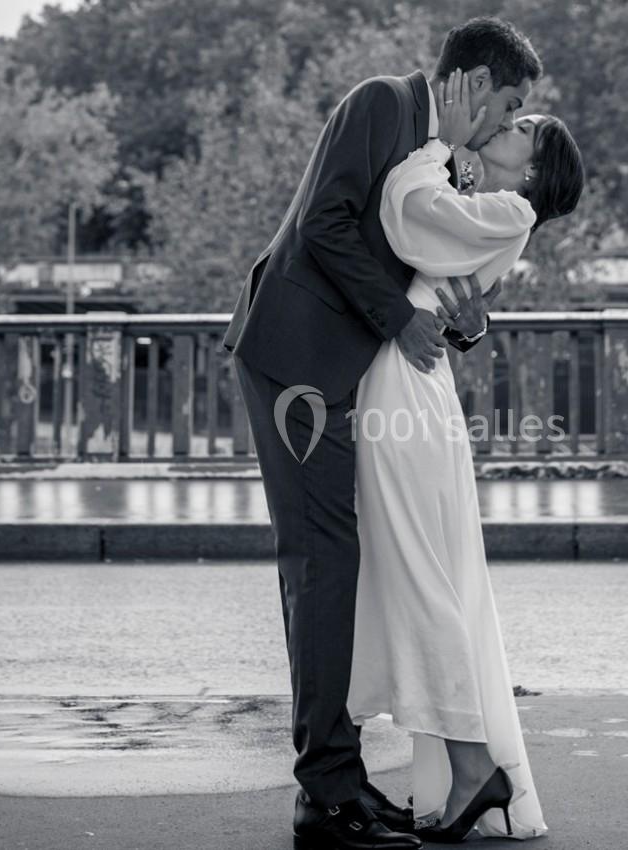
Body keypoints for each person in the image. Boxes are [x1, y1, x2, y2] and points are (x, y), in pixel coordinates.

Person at [222, 16, 543, 850]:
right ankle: (326, 796)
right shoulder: (381, 103)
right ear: (476, 81)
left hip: (348, 375)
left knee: (342, 568)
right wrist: (399, 319)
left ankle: (343, 782)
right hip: (295, 362)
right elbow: (324, 225)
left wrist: (464, 322)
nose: (508, 122)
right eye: (511, 104)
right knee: (322, 566)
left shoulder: (441, 157)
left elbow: (433, 275)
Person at [346, 59, 584, 843]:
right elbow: (443, 263)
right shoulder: (491, 209)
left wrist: (439, 144)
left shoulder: (508, 210)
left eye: (521, 126)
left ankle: (474, 763)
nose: (507, 125)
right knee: (424, 573)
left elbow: (407, 213)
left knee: (421, 576)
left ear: (534, 168)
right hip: (413, 384)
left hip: (406, 390)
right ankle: (466, 763)